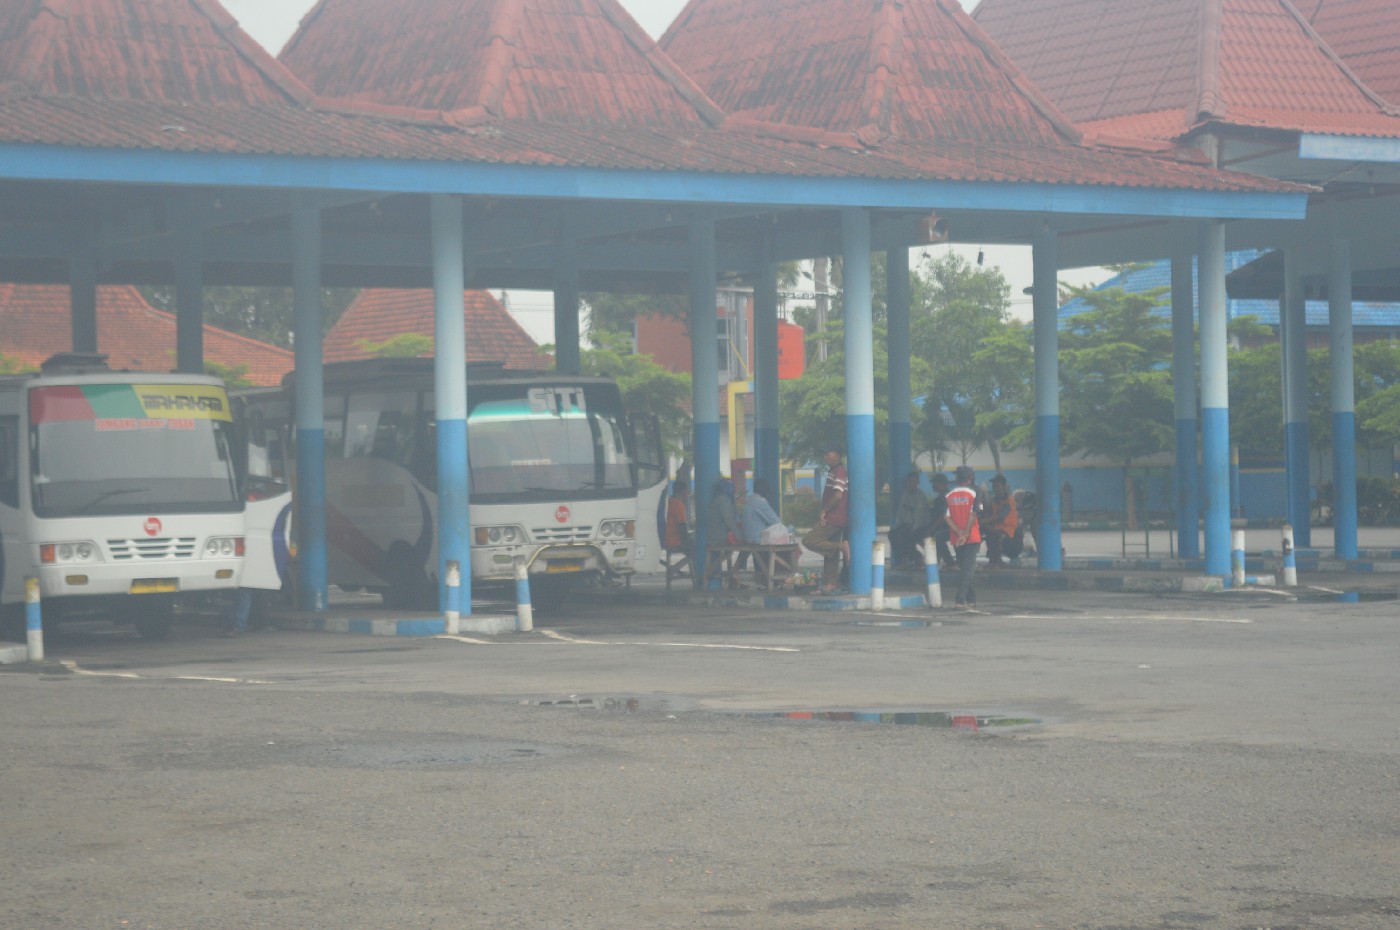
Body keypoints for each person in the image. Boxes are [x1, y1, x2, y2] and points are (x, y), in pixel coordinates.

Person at [802, 443, 849, 594]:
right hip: (835, 517)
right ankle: (830, 584)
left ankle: (842, 547)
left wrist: (824, 511)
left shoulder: (839, 471)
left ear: (838, 455)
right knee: (830, 554)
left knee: (809, 540)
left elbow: (838, 495)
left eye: (829, 452)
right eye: (825, 453)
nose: (826, 456)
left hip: (834, 517)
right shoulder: (833, 470)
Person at [944, 464, 982, 608]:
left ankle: (971, 599)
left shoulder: (949, 494)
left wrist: (959, 533)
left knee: (965, 568)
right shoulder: (975, 492)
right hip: (971, 536)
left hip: (956, 538)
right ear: (971, 478)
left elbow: (946, 517)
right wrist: (965, 533)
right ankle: (960, 599)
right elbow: (975, 514)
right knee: (968, 569)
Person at [743, 477, 792, 585]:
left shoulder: (750, 500)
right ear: (765, 490)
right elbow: (775, 520)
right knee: (784, 547)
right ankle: (779, 578)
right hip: (757, 539)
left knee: (762, 558)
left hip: (749, 537)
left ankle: (764, 581)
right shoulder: (760, 502)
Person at [888, 471, 933, 569]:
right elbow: (900, 513)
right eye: (908, 481)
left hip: (921, 526)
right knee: (893, 534)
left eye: (913, 481)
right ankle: (907, 559)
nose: (910, 484)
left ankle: (917, 559)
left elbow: (919, 516)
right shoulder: (905, 495)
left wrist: (912, 529)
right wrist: (897, 527)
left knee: (908, 535)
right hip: (908, 525)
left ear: (917, 483)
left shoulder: (920, 496)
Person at [984, 474, 1020, 567]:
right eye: (994, 486)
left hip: (1009, 529)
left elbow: (1001, 516)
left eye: (998, 486)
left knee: (995, 535)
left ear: (1004, 487)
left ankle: (997, 560)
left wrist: (984, 521)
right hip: (997, 527)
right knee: (988, 531)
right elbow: (989, 513)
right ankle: (993, 559)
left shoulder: (1009, 500)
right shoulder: (993, 501)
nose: (995, 488)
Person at [664, 474, 693, 581]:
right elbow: (682, 527)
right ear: (682, 492)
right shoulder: (679, 504)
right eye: (686, 491)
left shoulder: (668, 501)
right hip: (674, 540)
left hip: (665, 539)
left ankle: (676, 568)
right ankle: (676, 569)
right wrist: (687, 542)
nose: (687, 494)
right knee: (696, 550)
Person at [929, 472, 955, 568]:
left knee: (937, 536)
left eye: (935, 483)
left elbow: (943, 516)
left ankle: (950, 563)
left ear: (943, 484)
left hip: (951, 526)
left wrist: (932, 528)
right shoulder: (939, 499)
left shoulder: (948, 497)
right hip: (943, 526)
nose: (933, 485)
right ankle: (935, 560)